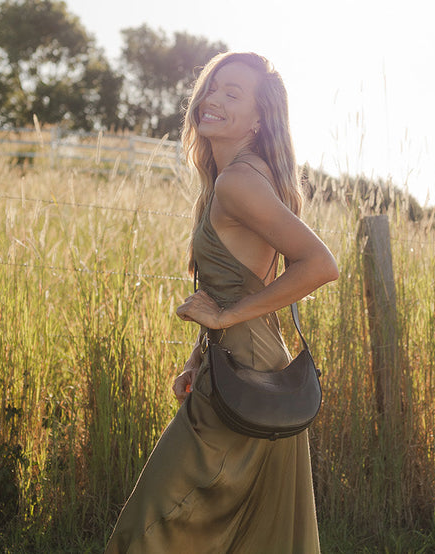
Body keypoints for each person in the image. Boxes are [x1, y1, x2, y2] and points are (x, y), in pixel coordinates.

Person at [103, 51, 339, 553]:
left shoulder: (238, 182)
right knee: (248, 538)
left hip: (248, 375)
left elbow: (320, 264)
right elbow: (243, 280)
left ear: (258, 121)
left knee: (150, 528)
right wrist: (200, 352)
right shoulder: (234, 180)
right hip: (235, 368)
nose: (212, 98)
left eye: (232, 94)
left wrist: (227, 318)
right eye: (212, 87)